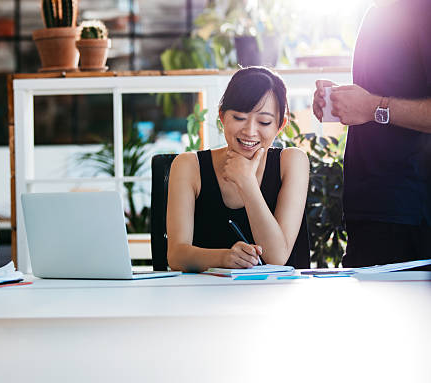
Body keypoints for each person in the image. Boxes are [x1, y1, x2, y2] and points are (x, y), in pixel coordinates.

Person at [313, 0, 431, 267]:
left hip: (408, 214)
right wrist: (337, 102)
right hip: (368, 206)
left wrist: (372, 106)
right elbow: (379, 95)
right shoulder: (378, 12)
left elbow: (376, 104)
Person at [166, 67, 309, 272]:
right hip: (205, 297)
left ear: (280, 124)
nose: (250, 131)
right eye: (239, 118)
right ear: (222, 117)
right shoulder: (188, 166)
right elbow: (177, 255)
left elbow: (276, 257)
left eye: (264, 121)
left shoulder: (292, 161)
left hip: (279, 297)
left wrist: (246, 182)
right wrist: (225, 257)